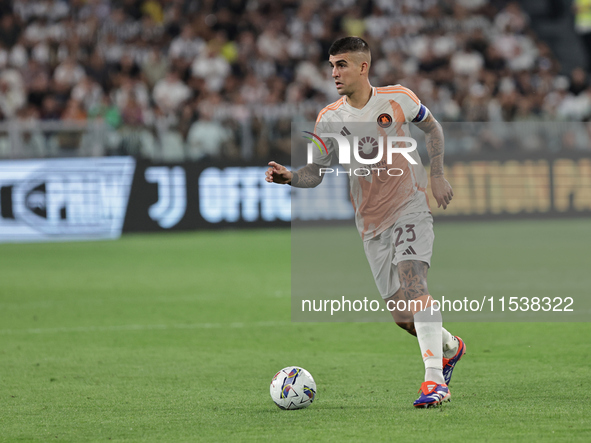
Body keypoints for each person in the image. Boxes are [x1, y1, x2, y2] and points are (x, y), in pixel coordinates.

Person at [265, 37, 466, 408]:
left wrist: (436, 175)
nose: (333, 73)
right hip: (371, 225)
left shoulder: (398, 98)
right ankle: (450, 347)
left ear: (362, 67)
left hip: (410, 207)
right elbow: (316, 172)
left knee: (414, 283)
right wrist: (291, 177)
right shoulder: (329, 119)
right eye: (330, 65)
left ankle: (435, 382)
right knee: (403, 317)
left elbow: (433, 129)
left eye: (341, 65)